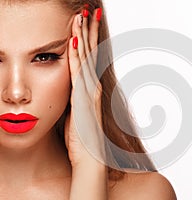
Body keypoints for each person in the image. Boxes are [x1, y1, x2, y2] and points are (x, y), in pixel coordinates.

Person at [0, 0, 177, 199]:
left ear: (86, 54)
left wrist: (89, 165)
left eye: (44, 57)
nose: (15, 93)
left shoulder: (143, 194)